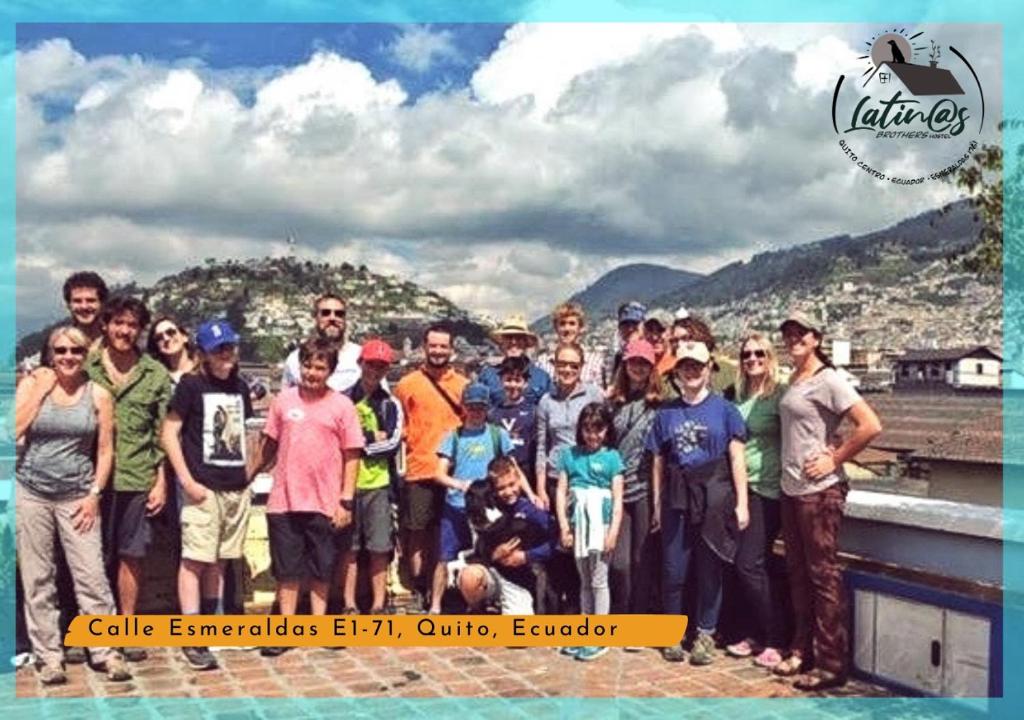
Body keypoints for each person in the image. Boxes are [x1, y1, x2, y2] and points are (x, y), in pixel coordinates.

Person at [14, 326, 131, 684]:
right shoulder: (33, 385)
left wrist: (95, 493)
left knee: (91, 575)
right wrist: (42, 390)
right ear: (50, 354)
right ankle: (49, 656)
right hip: (32, 492)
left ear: (85, 357)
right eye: (61, 350)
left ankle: (106, 652)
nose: (68, 357)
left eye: (75, 352)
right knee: (38, 578)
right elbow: (13, 430)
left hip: (78, 495)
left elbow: (105, 449)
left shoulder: (98, 394)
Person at [774, 311, 881, 691]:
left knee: (823, 577)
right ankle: (801, 649)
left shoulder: (828, 379)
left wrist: (834, 458)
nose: (793, 339)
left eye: (800, 333)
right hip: (792, 489)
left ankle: (832, 662)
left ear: (816, 337)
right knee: (799, 574)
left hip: (819, 494)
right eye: (788, 333)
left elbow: (870, 424)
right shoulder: (795, 378)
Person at [252, 337, 362, 656]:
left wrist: (345, 500)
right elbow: (268, 445)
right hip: (285, 500)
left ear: (329, 371)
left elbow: (352, 455)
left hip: (325, 501)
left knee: (321, 568)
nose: (312, 372)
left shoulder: (342, 406)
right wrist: (247, 475)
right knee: (287, 570)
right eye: (308, 365)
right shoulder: (283, 402)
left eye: (319, 367)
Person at [161, 319, 256, 670]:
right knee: (194, 560)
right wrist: (186, 481)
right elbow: (169, 433)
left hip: (233, 487)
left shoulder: (240, 387)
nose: (227, 354)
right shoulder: (190, 386)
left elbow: (245, 434)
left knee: (219, 559)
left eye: (230, 347)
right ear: (203, 354)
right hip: (202, 487)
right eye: (219, 349)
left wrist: (247, 476)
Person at [647, 340, 750, 665]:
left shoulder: (725, 410)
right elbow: (658, 463)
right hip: (676, 497)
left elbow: (736, 458)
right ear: (676, 372)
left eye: (697, 366)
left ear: (709, 370)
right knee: (673, 569)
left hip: (714, 497)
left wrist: (742, 503)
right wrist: (656, 506)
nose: (691, 372)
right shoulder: (666, 412)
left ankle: (706, 633)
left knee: (710, 569)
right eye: (685, 366)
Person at [84, 295, 171, 663]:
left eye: (132, 325)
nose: (124, 330)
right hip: (86, 478)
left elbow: (162, 431)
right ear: (105, 324)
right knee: (87, 558)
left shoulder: (155, 374)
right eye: (118, 323)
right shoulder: (84, 365)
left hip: (137, 476)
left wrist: (161, 479)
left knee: (131, 556)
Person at [393, 324, 469, 611]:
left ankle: (442, 587)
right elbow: (397, 422)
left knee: (446, 533)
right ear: (424, 347)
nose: (438, 351)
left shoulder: (462, 386)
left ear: (451, 349)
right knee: (417, 534)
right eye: (433, 346)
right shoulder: (407, 384)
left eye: (443, 346)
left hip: (451, 472)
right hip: (419, 468)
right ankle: (419, 587)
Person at [722, 332, 786, 669]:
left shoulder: (779, 395)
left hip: (767, 489)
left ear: (770, 356)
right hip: (739, 488)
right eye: (746, 354)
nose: (752, 359)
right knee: (739, 566)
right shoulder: (738, 396)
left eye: (759, 353)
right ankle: (753, 634)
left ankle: (776, 637)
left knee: (750, 564)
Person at [431, 383, 514, 614]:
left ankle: (478, 601)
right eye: (471, 407)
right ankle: (436, 605)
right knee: (445, 556)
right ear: (464, 408)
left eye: (481, 407)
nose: (476, 412)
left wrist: (530, 494)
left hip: (488, 509)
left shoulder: (498, 435)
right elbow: (438, 473)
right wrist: (460, 484)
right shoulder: (454, 437)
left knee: (487, 555)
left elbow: (511, 468)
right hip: (457, 506)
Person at [535, 342, 604, 613]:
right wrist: (540, 488)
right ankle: (559, 604)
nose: (567, 369)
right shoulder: (545, 401)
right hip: (555, 480)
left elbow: (604, 434)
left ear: (581, 367)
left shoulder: (594, 395)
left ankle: (580, 605)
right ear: (554, 365)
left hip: (584, 479)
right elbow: (541, 445)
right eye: (562, 364)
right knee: (558, 544)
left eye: (573, 365)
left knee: (583, 543)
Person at [555, 402, 624, 662]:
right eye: (587, 429)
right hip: (578, 524)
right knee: (584, 580)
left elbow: (618, 498)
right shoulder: (569, 456)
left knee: (599, 579)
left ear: (606, 430)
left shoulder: (612, 458)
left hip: (601, 524)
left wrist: (613, 531)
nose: (592, 436)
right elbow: (561, 492)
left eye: (598, 430)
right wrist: (564, 526)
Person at [342, 339, 403, 614]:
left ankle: (378, 604)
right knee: (350, 549)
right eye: (371, 364)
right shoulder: (342, 400)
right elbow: (337, 441)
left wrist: (356, 443)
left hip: (379, 484)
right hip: (347, 484)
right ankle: (349, 603)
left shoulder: (391, 405)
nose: (375, 370)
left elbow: (391, 444)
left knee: (380, 547)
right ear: (360, 364)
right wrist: (368, 439)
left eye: (381, 366)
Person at [607, 339, 661, 622]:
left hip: (644, 489)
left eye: (643, 363)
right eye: (633, 362)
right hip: (617, 487)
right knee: (619, 562)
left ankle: (637, 617)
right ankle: (619, 611)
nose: (638, 368)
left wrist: (658, 500)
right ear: (625, 365)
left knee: (643, 560)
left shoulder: (658, 405)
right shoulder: (613, 402)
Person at [458, 457, 555, 615]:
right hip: (492, 571)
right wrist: (494, 554)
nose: (508, 492)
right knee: (470, 577)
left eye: (512, 484)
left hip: (518, 579)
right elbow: (480, 546)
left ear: (519, 480)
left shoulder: (531, 510)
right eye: (501, 488)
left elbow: (556, 542)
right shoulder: (486, 506)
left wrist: (526, 556)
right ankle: (477, 610)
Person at [281, 293, 362, 393]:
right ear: (315, 318)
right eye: (325, 313)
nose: (332, 318)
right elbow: (285, 400)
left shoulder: (362, 357)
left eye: (339, 314)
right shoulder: (295, 360)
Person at [476, 314, 552, 406]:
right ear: (501, 343)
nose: (513, 342)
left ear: (526, 343)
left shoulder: (542, 378)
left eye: (518, 337)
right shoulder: (487, 376)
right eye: (509, 337)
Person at [488, 356, 538, 492]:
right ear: (501, 380)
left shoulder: (533, 411)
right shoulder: (493, 413)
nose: (513, 385)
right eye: (508, 380)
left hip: (527, 473)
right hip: (501, 477)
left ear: (526, 383)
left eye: (517, 380)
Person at [535, 302, 606, 387]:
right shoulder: (542, 362)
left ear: (580, 328)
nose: (567, 329)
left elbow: (599, 395)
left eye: (572, 323)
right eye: (562, 324)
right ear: (556, 327)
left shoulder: (595, 362)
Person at [147, 315, 198, 385]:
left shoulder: (204, 371)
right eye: (159, 337)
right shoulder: (155, 378)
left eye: (170, 332)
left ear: (184, 337)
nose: (166, 338)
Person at [609, 301, 646, 380]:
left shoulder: (651, 355)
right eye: (625, 324)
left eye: (634, 323)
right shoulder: (617, 358)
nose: (630, 329)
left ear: (643, 326)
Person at [643, 311, 677, 377]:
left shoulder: (678, 365)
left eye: (660, 330)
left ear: (671, 333)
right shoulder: (639, 366)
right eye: (650, 330)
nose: (654, 337)